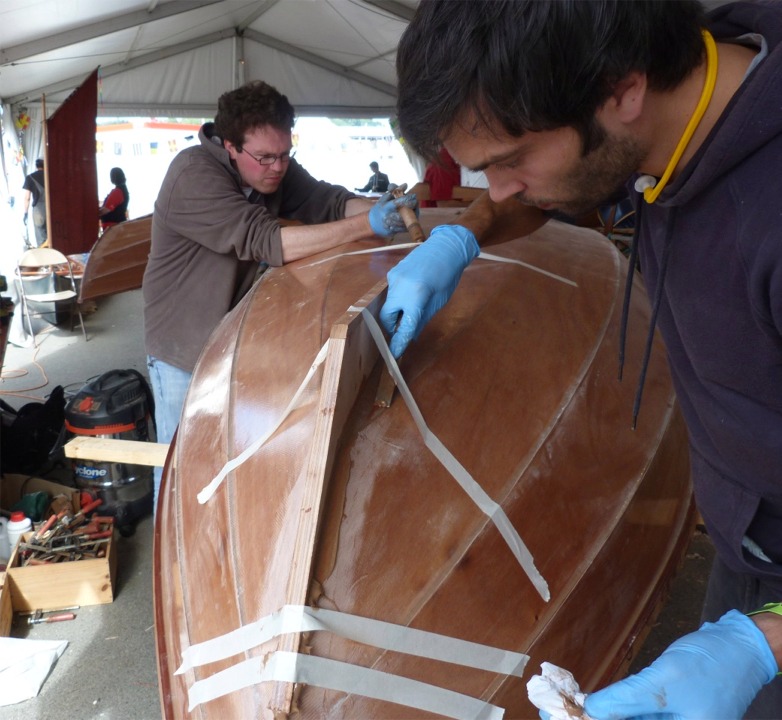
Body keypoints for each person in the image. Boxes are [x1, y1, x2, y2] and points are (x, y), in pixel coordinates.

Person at [380, 2, 782, 718]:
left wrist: (765, 642)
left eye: (509, 162)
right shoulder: (666, 107)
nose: (498, 189)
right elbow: (560, 191)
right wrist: (463, 237)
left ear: (622, 89)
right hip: (745, 545)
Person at [143, 80, 416, 509]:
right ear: (230, 146)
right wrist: (368, 225)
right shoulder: (192, 175)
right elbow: (266, 241)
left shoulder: (273, 168)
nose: (278, 167)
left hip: (229, 335)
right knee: (180, 469)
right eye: (265, 157)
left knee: (231, 451)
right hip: (182, 345)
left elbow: (328, 201)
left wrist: (387, 208)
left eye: (285, 154)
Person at [22, 158, 47, 246]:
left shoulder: (30, 178)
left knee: (41, 240)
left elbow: (27, 198)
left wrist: (25, 213)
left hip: (38, 211)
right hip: (51, 209)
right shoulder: (50, 176)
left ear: (36, 167)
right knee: (53, 238)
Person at [98, 167, 129, 232]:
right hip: (117, 227)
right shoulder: (123, 190)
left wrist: (93, 214)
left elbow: (106, 209)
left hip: (113, 228)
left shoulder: (118, 191)